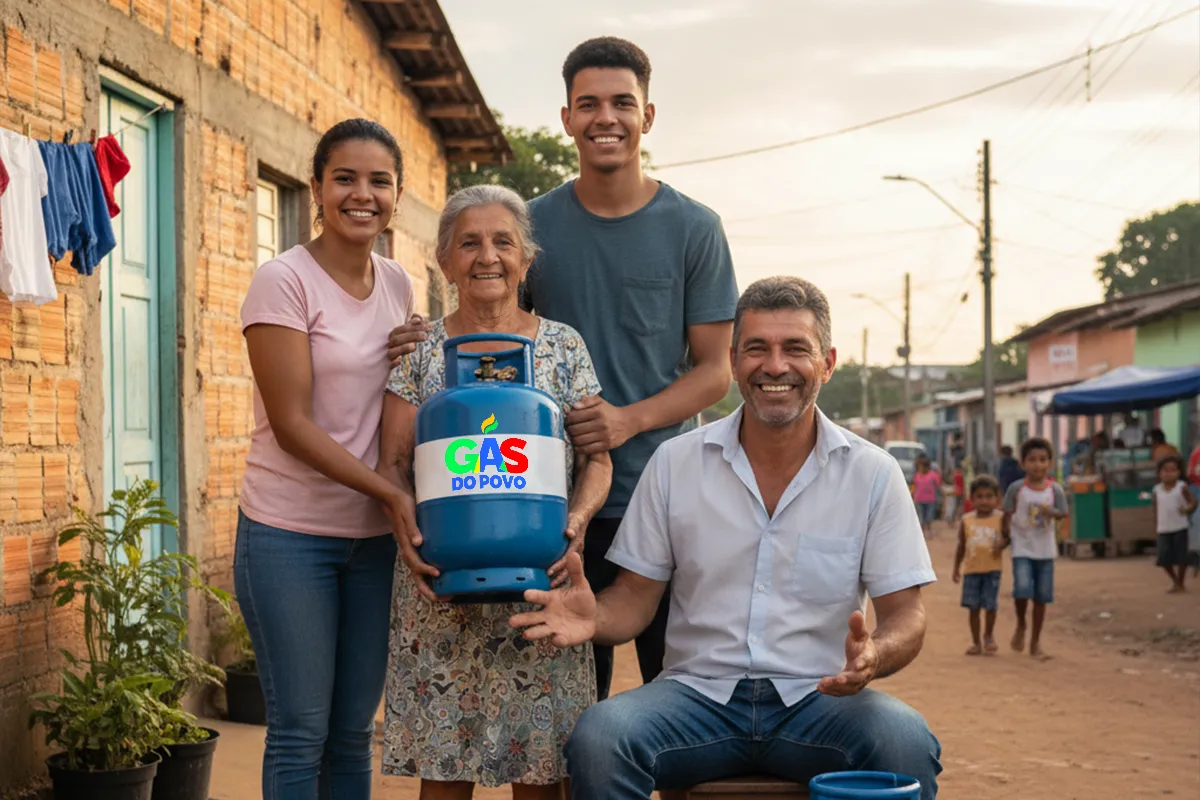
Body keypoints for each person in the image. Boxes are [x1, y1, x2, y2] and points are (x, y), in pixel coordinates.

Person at [510, 277, 941, 799]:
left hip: (822, 701)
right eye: (757, 348)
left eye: (795, 349)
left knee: (904, 741)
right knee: (602, 737)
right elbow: (635, 598)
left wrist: (875, 652)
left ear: (827, 363)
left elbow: (907, 616)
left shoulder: (873, 474)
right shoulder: (675, 463)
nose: (775, 366)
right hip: (695, 701)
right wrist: (594, 616)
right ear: (734, 361)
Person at [518, 36, 737, 701]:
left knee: (680, 700)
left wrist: (625, 421)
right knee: (571, 713)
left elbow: (715, 371)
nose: (604, 118)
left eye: (622, 103)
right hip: (558, 506)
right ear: (566, 118)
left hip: (667, 497)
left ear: (647, 116)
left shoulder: (695, 228)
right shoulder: (530, 226)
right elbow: (501, 341)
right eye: (588, 104)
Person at [377, 185, 613, 797]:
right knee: (444, 782)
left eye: (503, 242)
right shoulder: (419, 352)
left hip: (543, 588)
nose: (488, 256)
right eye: (469, 243)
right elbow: (392, 463)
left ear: (526, 260)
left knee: (541, 778)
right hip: (438, 593)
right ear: (445, 261)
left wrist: (577, 521)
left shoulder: (563, 349)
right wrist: (407, 532)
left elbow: (597, 460)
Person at [236, 119, 416, 798]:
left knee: (350, 735)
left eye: (378, 181)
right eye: (344, 178)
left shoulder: (398, 284)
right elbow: (291, 426)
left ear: (396, 195)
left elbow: (398, 396)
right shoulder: (284, 281)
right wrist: (394, 494)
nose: (360, 194)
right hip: (290, 536)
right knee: (299, 732)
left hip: (373, 543)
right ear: (316, 187)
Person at [1003, 438, 1068, 661]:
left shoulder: (1055, 490)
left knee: (1041, 597)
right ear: (1023, 463)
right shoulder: (1016, 488)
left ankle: (1035, 641)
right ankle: (1021, 624)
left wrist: (1052, 512)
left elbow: (1063, 512)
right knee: (1022, 589)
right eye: (1032, 460)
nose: (1037, 465)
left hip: (1045, 549)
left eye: (1042, 460)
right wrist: (1004, 538)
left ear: (1049, 463)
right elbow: (1007, 513)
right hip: (1021, 546)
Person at [952, 475, 1008, 656]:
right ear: (972, 499)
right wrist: (956, 568)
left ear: (997, 499)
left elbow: (1009, 537)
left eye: (989, 496)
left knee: (990, 606)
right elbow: (961, 545)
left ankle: (989, 636)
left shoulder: (1001, 518)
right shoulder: (967, 520)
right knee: (973, 607)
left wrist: (1003, 543)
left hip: (992, 570)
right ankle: (976, 642)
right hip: (971, 570)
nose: (985, 501)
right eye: (980, 496)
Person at [1151, 454, 1197, 594]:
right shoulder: (1156, 490)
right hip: (1163, 528)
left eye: (1172, 470)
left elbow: (1193, 501)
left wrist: (1188, 509)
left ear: (1178, 473)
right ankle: (1175, 580)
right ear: (1159, 473)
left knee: (1181, 557)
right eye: (1165, 470)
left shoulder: (1181, 487)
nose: (1168, 474)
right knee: (1163, 558)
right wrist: (1155, 526)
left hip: (1180, 527)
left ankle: (1180, 582)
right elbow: (1155, 509)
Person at [911, 455, 941, 537]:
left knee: (929, 517)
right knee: (921, 516)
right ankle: (921, 533)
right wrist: (912, 494)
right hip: (919, 499)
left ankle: (928, 531)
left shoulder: (933, 475)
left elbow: (938, 484)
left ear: (927, 467)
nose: (920, 469)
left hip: (930, 500)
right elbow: (914, 486)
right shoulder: (917, 476)